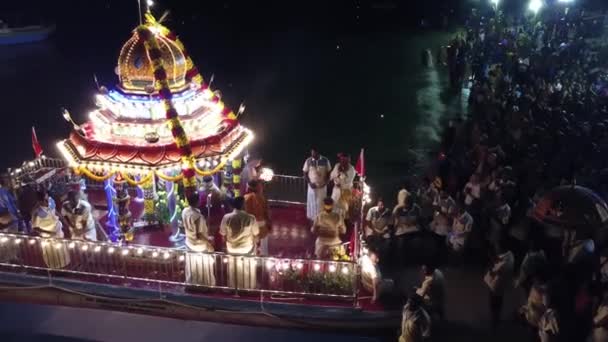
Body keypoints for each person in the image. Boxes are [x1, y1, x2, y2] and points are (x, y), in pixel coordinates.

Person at [219, 196, 259, 289]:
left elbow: (223, 234)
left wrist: (225, 246)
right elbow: (256, 234)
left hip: (232, 249)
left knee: (233, 270)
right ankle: (248, 286)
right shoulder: (250, 218)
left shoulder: (226, 217)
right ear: (243, 205)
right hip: (247, 249)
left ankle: (233, 287)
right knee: (247, 270)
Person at [182, 191, 215, 286]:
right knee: (204, 266)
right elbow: (200, 235)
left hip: (189, 242)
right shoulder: (198, 217)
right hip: (199, 245)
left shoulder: (185, 211)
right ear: (197, 201)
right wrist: (209, 243)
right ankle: (205, 284)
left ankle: (192, 282)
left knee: (193, 267)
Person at [30, 190, 70, 269]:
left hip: (58, 231)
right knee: (52, 254)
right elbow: (35, 228)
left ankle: (65, 265)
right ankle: (54, 268)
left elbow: (56, 212)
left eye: (47, 199)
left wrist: (65, 222)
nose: (47, 201)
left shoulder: (51, 202)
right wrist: (49, 233)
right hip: (48, 237)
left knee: (62, 251)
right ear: (39, 201)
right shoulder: (37, 213)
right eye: (45, 200)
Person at [484, 241, 515, 330]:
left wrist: (491, 261)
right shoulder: (510, 255)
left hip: (496, 284)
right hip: (503, 284)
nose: (496, 248)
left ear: (501, 248)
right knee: (499, 300)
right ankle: (496, 318)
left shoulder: (503, 262)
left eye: (497, 247)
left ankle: (495, 321)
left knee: (494, 302)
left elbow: (492, 271)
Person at [303, 148, 331, 221]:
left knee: (321, 202)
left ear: (318, 153)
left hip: (322, 186)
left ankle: (320, 218)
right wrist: (309, 183)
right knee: (312, 201)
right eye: (312, 154)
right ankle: (312, 218)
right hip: (312, 186)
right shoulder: (308, 160)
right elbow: (305, 173)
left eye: (314, 154)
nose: (313, 155)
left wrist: (326, 183)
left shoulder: (325, 160)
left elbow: (329, 173)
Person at [244, 180, 271, 256]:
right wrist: (269, 223)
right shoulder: (262, 197)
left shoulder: (245, 198)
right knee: (263, 247)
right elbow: (267, 212)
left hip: (250, 225)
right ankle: (263, 260)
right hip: (261, 224)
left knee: (252, 245)